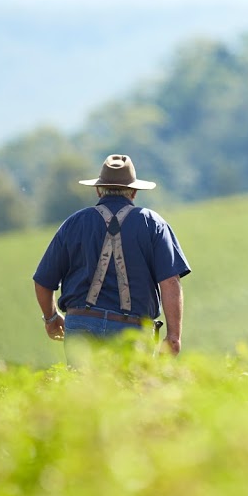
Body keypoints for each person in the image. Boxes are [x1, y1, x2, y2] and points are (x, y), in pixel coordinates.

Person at [33, 154, 191, 363]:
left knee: (84, 393)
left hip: (81, 328)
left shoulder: (74, 223)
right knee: (129, 392)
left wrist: (52, 319)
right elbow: (170, 282)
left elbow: (43, 281)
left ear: (99, 190)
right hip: (131, 332)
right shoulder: (153, 224)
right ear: (134, 192)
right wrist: (173, 337)